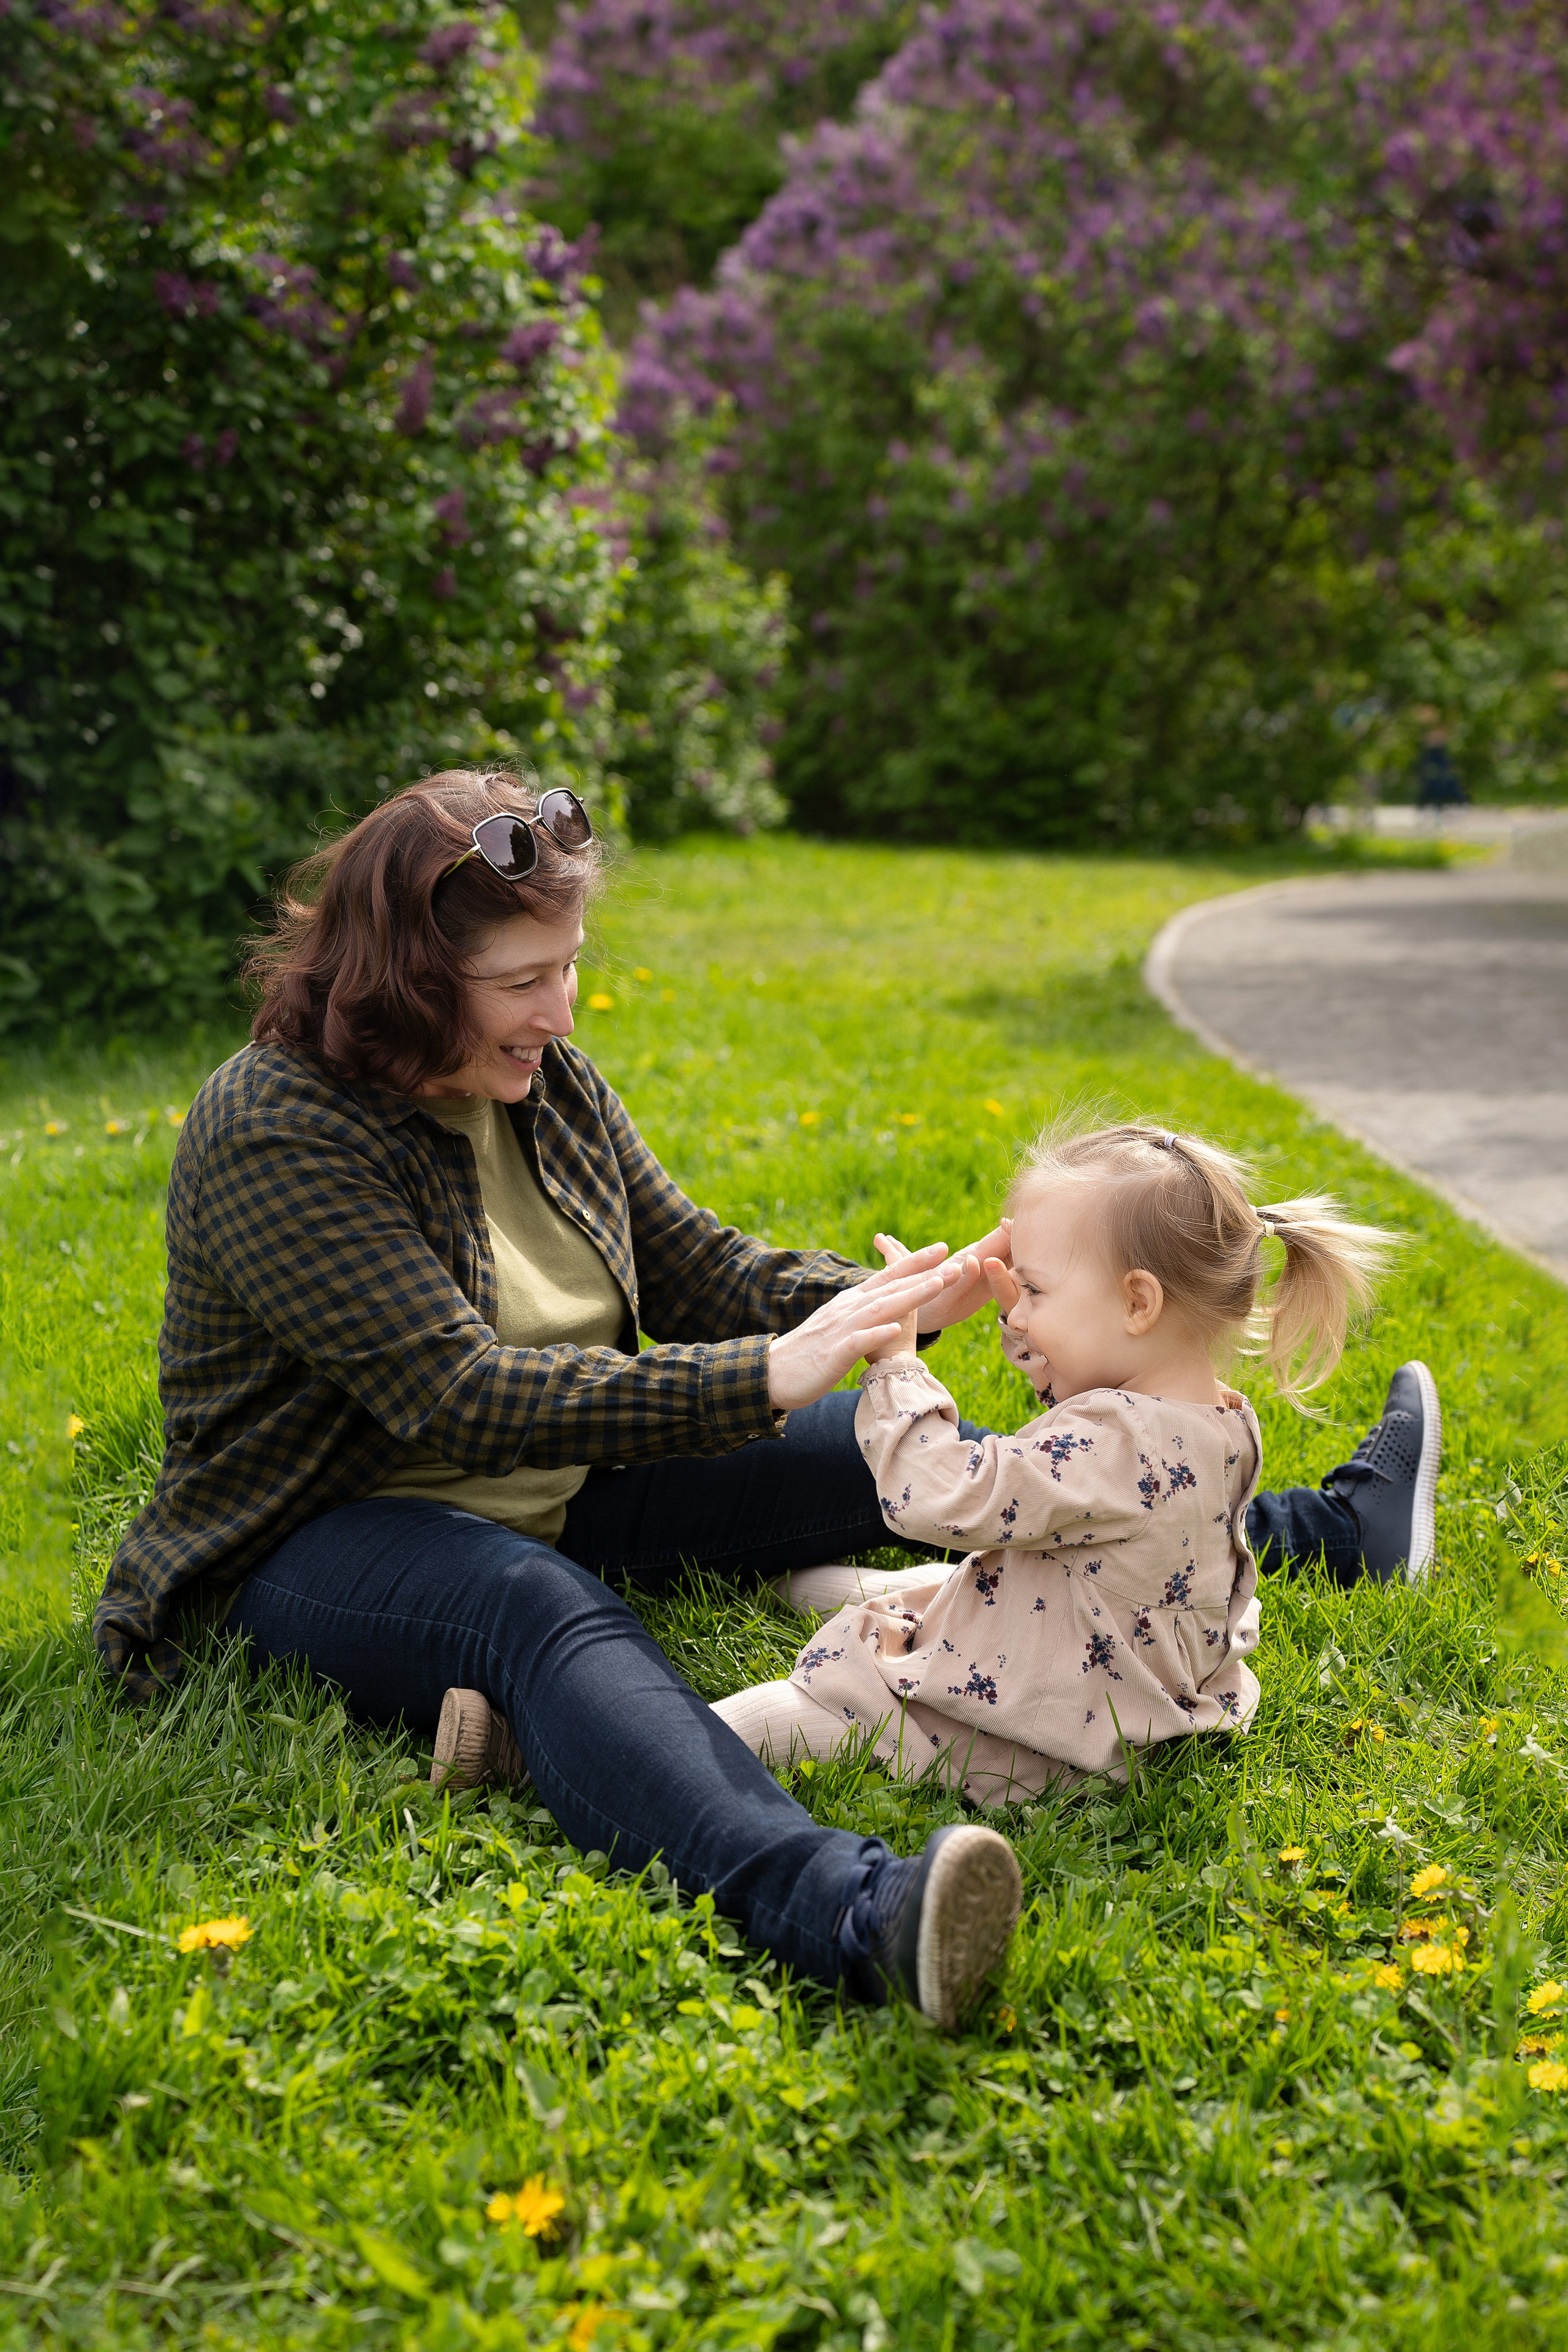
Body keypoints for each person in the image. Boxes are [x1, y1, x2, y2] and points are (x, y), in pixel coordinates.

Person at [93, 770, 1441, 2024]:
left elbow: (700, 1268)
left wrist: (880, 1307)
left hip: (565, 1489)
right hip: (322, 1537)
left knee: (901, 1461)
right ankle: (847, 1908)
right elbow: (459, 1398)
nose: (560, 1013)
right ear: (404, 979)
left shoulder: (543, 1084)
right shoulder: (276, 1127)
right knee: (533, 1609)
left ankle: (1325, 1532)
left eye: (567, 968)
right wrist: (758, 1376)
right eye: (523, 982)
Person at [713, 1124, 1422, 1802]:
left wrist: (896, 1367)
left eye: (1037, 1292)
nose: (1017, 1315)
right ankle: (808, 1585)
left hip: (1035, 1737)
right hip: (1134, 1690)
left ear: (1137, 1302)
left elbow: (938, 1498)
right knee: (951, 1586)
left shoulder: (1113, 1440)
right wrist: (1038, 1328)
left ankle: (682, 1746)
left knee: (811, 1708)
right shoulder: (1220, 1416)